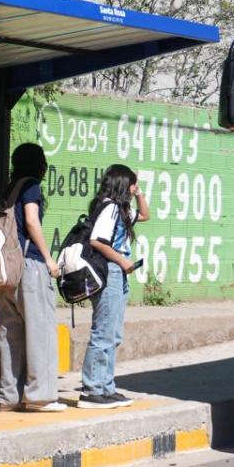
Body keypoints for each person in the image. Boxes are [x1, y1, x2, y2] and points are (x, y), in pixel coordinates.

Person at [0, 143, 66, 413]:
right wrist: (49, 259)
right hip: (30, 266)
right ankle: (40, 397)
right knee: (40, 331)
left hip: (6, 271)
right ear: (39, 164)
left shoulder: (8, 190)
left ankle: (8, 397)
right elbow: (32, 221)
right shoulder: (31, 187)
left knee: (9, 333)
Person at [78, 164, 150, 409]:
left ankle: (106, 387)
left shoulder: (120, 209)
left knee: (114, 333)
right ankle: (91, 390)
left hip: (119, 272)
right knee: (103, 333)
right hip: (110, 270)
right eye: (131, 184)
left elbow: (146, 215)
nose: (133, 188)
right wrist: (123, 261)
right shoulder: (109, 208)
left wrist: (139, 192)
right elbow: (97, 240)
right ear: (122, 184)